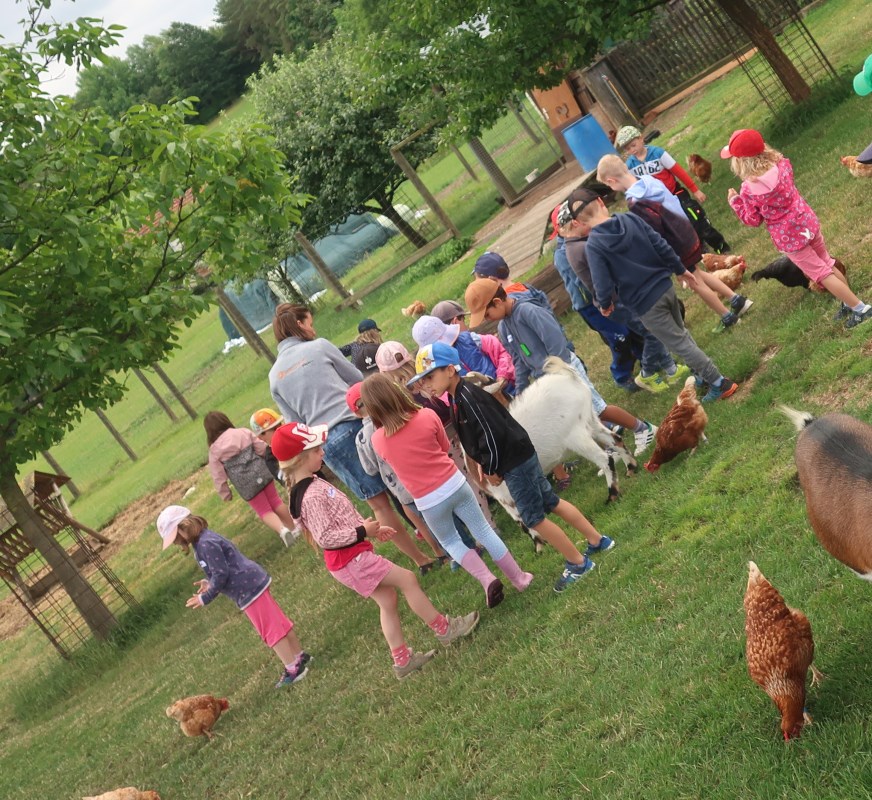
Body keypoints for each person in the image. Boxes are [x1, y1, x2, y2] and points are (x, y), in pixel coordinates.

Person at [271, 422, 479, 680]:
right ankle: (446, 629)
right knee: (408, 579)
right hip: (350, 560)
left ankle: (403, 662)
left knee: (387, 600)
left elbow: (341, 516)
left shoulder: (312, 483)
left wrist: (371, 529)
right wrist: (363, 532)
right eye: (316, 450)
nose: (322, 453)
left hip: (350, 557)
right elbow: (326, 537)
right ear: (300, 458)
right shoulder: (311, 495)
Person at [413, 341, 618, 593]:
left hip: (514, 463)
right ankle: (597, 540)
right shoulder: (460, 396)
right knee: (551, 501)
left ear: (450, 370)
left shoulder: (468, 398)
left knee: (534, 518)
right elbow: (480, 438)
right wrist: (481, 463)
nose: (427, 384)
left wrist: (492, 468)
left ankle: (578, 563)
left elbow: (492, 435)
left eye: (430, 376)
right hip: (520, 456)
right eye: (423, 379)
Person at [268, 304, 435, 572]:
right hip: (360, 423)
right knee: (407, 486)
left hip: (329, 445)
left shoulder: (274, 377)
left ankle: (421, 560)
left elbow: (295, 425)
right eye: (310, 323)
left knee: (379, 506)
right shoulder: (320, 346)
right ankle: (441, 545)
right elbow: (358, 381)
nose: (313, 328)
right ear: (299, 325)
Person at [362, 373, 534, 608]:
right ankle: (519, 578)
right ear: (396, 392)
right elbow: (444, 447)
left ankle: (487, 579)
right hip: (455, 484)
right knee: (483, 530)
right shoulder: (426, 415)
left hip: (428, 501)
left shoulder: (378, 440)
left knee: (452, 542)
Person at [576, 191, 740, 403]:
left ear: (580, 221)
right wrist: (680, 269)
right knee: (680, 333)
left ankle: (719, 383)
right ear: (600, 201)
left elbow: (601, 282)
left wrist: (605, 303)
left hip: (645, 304)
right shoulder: (630, 218)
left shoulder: (594, 246)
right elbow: (660, 243)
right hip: (665, 287)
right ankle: (701, 375)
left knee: (679, 344)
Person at [465, 278, 659, 456]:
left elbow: (555, 340)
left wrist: (560, 373)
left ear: (498, 302)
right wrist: (521, 390)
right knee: (580, 416)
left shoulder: (528, 311)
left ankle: (643, 428)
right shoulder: (503, 327)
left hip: (564, 369)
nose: (487, 320)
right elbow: (519, 359)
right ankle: (613, 448)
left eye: (487, 314)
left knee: (596, 408)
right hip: (548, 378)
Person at [723, 128, 871, 329]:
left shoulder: (748, 189)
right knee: (826, 262)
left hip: (790, 238)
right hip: (806, 221)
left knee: (821, 274)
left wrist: (735, 202)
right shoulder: (782, 164)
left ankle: (860, 308)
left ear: (740, 161)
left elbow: (753, 219)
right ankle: (848, 301)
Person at [156, 505, 311, 688]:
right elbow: (221, 567)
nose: (176, 543)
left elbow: (221, 574)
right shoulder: (205, 538)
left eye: (175, 537)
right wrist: (209, 582)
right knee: (279, 622)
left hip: (248, 590)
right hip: (252, 582)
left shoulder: (205, 544)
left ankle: (293, 669)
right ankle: (299, 656)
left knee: (271, 630)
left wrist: (204, 598)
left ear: (183, 527)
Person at [596, 154, 753, 332]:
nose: (611, 188)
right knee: (698, 273)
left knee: (695, 283)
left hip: (675, 244)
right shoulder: (649, 180)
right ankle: (737, 300)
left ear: (612, 180)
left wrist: (669, 259)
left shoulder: (635, 202)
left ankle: (727, 316)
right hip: (687, 231)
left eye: (608, 185)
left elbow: (654, 232)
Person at [345, 381, 448, 563]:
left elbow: (370, 469)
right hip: (422, 475)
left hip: (401, 488)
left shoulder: (362, 437)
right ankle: (459, 542)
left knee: (419, 518)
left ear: (355, 412)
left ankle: (440, 552)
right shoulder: (395, 418)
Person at [549, 202, 644, 391]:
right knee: (619, 338)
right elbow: (581, 281)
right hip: (590, 305)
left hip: (607, 295)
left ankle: (648, 363)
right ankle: (622, 374)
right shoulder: (563, 254)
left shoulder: (585, 238)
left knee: (633, 328)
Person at [615, 125, 731, 254]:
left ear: (641, 139)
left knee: (696, 220)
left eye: (633, 145)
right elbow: (632, 187)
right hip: (658, 203)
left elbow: (678, 172)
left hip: (676, 194)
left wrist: (695, 189)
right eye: (628, 148)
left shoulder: (658, 153)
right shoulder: (630, 166)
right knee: (679, 230)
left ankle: (721, 247)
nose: (632, 150)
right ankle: (700, 251)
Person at [204, 410, 298, 546]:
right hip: (261, 471)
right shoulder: (242, 432)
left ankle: (282, 530)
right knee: (275, 501)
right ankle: (294, 527)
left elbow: (218, 475)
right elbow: (261, 449)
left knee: (264, 510)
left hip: (245, 484)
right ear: (225, 421)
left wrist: (225, 493)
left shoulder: (214, 450)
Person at [411, 313, 515, 398]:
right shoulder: (435, 366)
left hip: (507, 390)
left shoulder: (471, 339)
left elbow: (500, 352)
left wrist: (502, 376)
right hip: (480, 404)